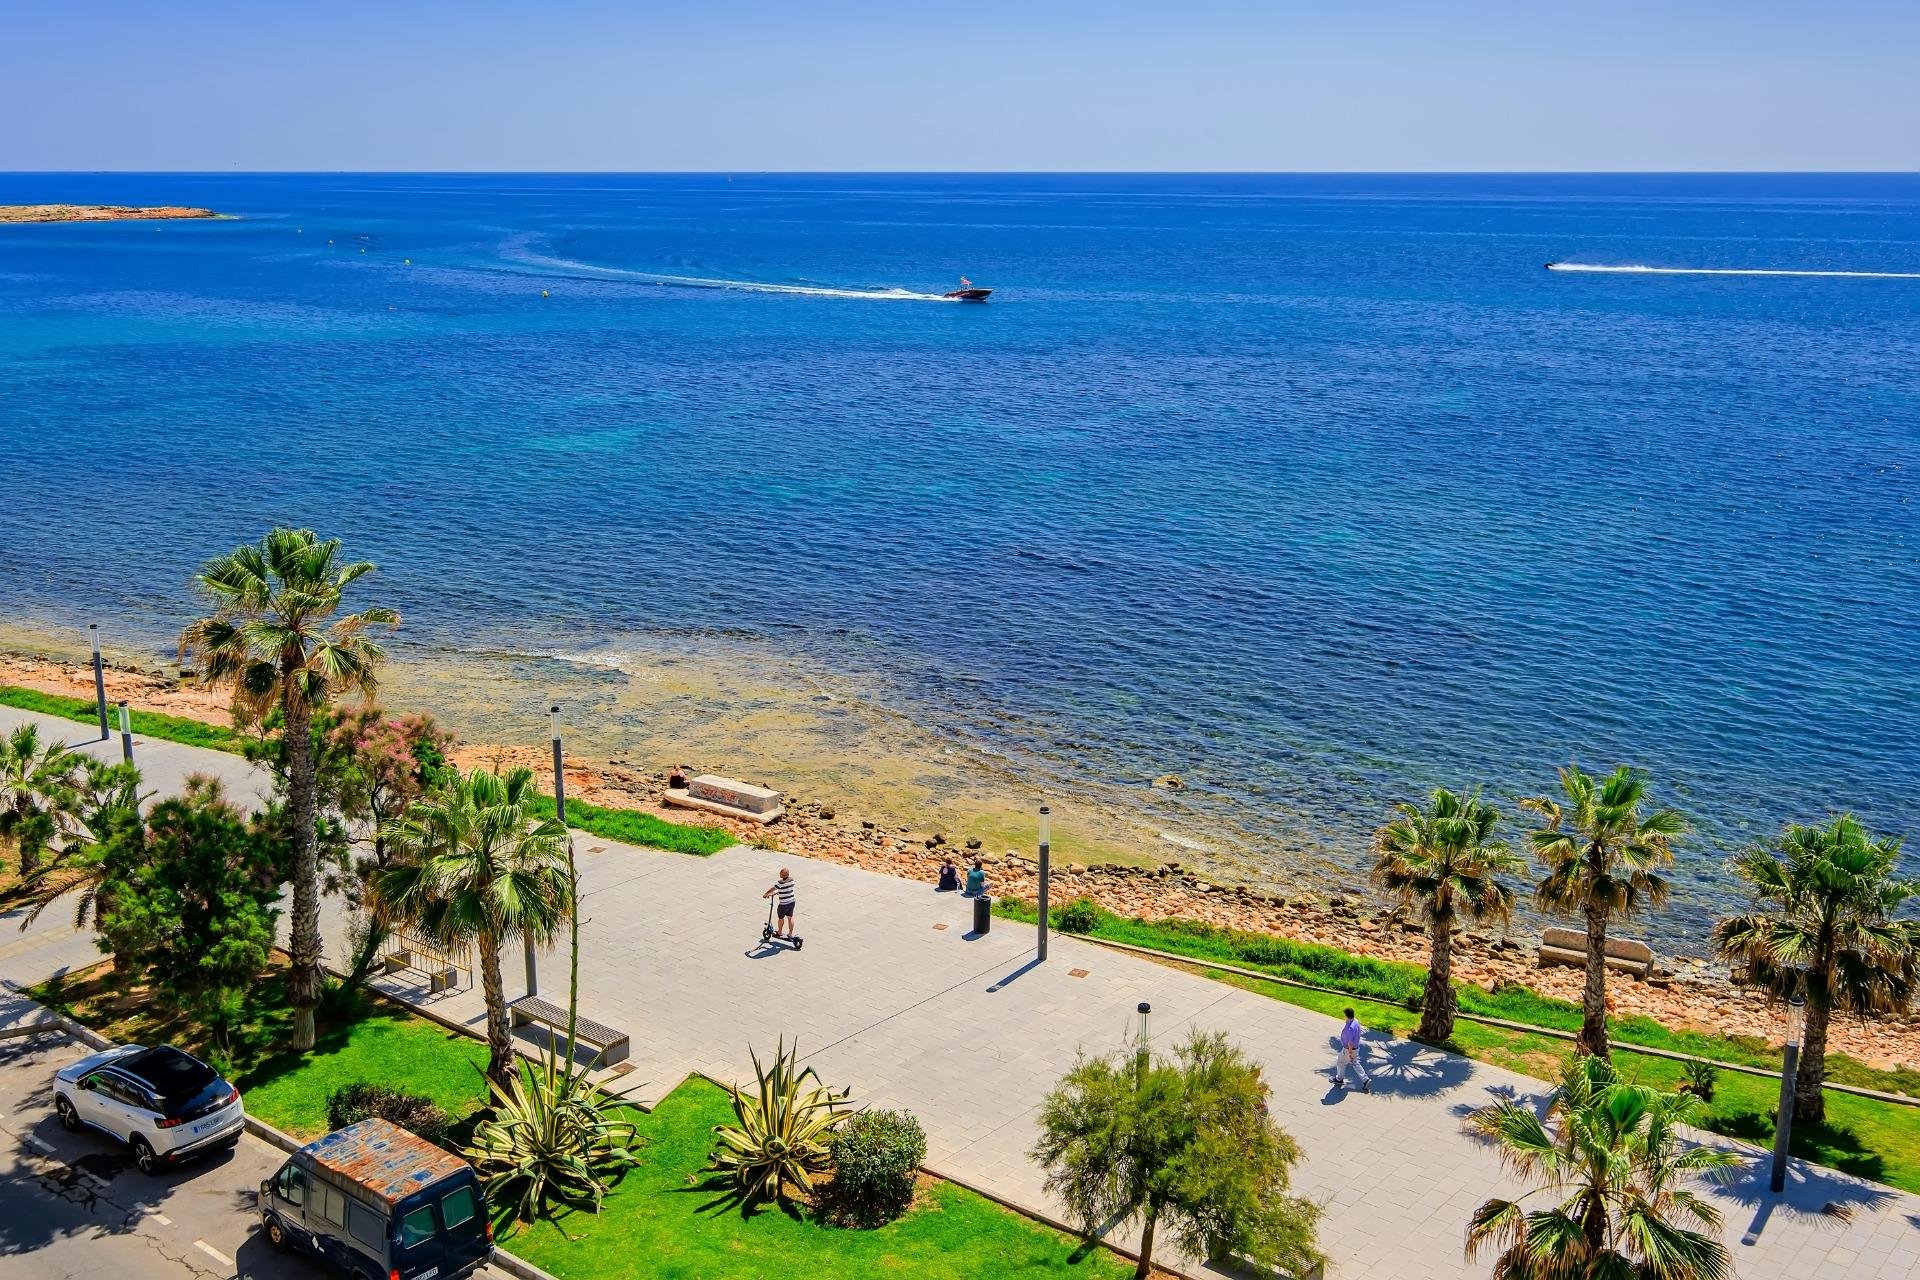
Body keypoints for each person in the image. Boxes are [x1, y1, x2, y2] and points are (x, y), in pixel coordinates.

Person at [1333, 1008, 1371, 1093]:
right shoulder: (1356, 1022)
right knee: (1354, 1063)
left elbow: (1350, 1042)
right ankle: (1365, 1080)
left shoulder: (1349, 1028)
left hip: (1348, 1049)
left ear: (1346, 1015)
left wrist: (1349, 1053)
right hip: (1356, 1048)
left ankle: (1339, 1079)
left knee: (1340, 1062)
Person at [763, 867, 797, 940]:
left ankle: (779, 932)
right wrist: (779, 892)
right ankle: (790, 934)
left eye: (780, 873)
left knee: (781, 918)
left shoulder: (780, 883)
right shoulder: (792, 880)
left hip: (783, 904)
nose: (779, 874)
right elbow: (787, 888)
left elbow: (772, 889)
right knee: (790, 917)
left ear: (783, 875)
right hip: (792, 901)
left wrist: (766, 894)